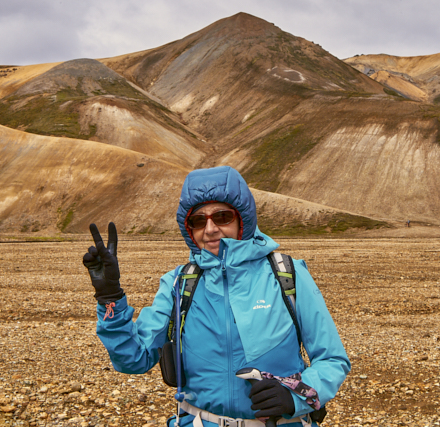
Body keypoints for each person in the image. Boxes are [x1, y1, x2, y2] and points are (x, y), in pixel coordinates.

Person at [82, 166, 349, 427]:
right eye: (198, 220)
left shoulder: (286, 274)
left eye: (222, 217)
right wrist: (110, 298)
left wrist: (296, 396)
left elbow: (332, 359)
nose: (209, 229)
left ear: (243, 218)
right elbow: (134, 359)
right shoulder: (179, 283)